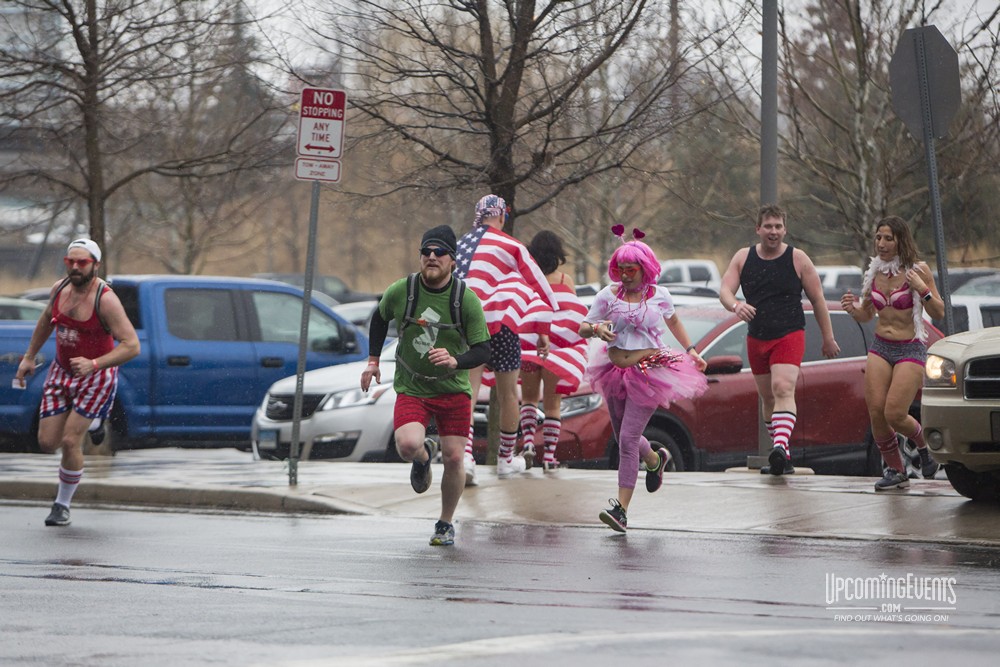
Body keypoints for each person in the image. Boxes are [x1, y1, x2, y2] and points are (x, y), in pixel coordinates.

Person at [361, 225, 491, 546]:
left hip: (453, 389)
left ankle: (445, 523)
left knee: (455, 458)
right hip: (413, 386)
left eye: (439, 253)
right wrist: (373, 361)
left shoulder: (465, 300)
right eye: (426, 252)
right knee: (406, 444)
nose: (431, 257)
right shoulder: (403, 291)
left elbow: (483, 349)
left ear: (453, 261)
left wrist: (455, 360)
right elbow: (379, 318)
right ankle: (422, 457)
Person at [581, 226, 708, 533]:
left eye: (631, 270)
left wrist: (692, 351)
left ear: (645, 269)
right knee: (624, 434)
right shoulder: (607, 296)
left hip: (649, 370)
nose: (625, 275)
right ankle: (654, 459)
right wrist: (597, 330)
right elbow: (584, 326)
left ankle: (621, 510)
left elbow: (674, 321)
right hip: (613, 371)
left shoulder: (659, 296)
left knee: (625, 440)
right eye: (621, 269)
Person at [15, 238, 140, 527]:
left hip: (96, 374)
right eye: (70, 261)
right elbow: (47, 319)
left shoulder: (105, 299)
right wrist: (29, 357)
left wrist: (94, 364)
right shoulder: (59, 289)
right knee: (47, 443)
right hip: (62, 371)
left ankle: (62, 505)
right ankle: (96, 422)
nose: (75, 267)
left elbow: (132, 345)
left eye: (82, 262)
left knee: (72, 440)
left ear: (95, 265)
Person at [719, 204, 841, 476]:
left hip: (789, 332)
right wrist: (736, 306)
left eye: (778, 227)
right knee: (768, 397)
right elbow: (725, 291)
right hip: (757, 336)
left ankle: (779, 445)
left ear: (785, 229)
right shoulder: (743, 257)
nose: (773, 232)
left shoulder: (798, 259)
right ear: (758, 229)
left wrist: (828, 337)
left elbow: (818, 299)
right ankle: (782, 456)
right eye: (768, 226)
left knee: (783, 387)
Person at [455, 194, 557, 482]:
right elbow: (538, 283)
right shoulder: (511, 246)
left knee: (469, 391)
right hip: (501, 327)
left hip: (468, 324)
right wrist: (545, 325)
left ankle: (465, 457)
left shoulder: (460, 245)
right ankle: (505, 459)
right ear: (501, 217)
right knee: (509, 392)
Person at [840, 216, 944, 491]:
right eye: (878, 238)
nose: (882, 244)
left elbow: (939, 312)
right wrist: (853, 309)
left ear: (901, 240)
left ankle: (923, 447)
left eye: (888, 238)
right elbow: (867, 314)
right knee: (876, 413)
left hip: (910, 346)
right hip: (881, 346)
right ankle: (896, 471)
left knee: (895, 413)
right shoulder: (874, 271)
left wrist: (922, 290)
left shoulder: (917, 270)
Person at [518, 230, 589, 471]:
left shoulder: (526, 278)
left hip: (528, 345)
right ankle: (548, 456)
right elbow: (573, 316)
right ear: (557, 253)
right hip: (557, 351)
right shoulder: (564, 281)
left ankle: (527, 443)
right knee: (552, 404)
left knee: (527, 399)